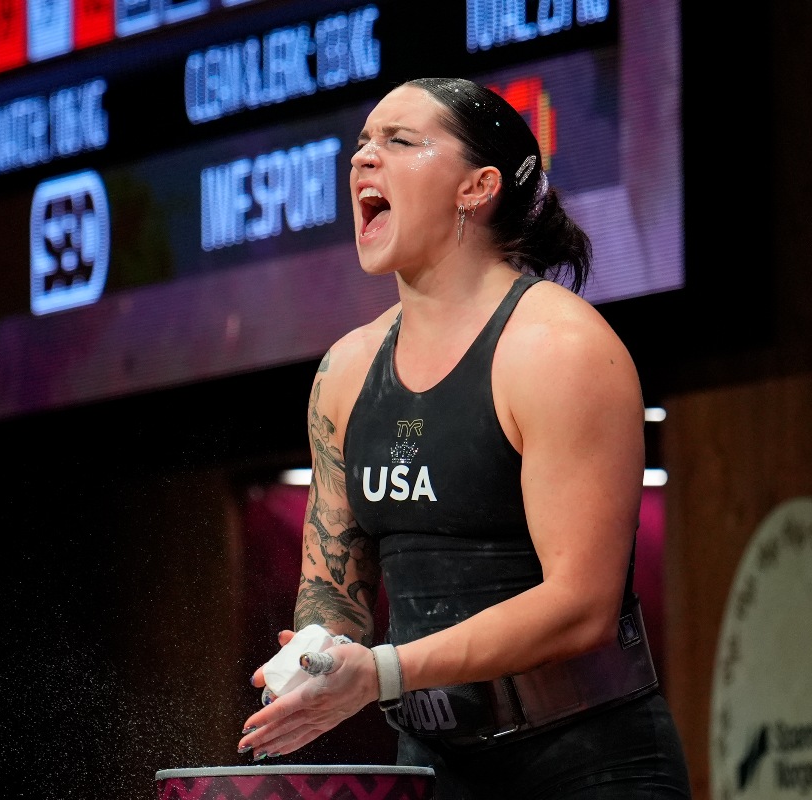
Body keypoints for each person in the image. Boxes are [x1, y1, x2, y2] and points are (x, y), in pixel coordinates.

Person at [237, 76, 691, 798]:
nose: (362, 159)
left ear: (476, 188)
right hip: (433, 765)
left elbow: (583, 604)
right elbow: (334, 588)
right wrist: (318, 657)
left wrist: (383, 670)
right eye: (361, 144)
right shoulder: (346, 371)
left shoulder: (559, 348)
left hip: (588, 762)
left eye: (399, 142)